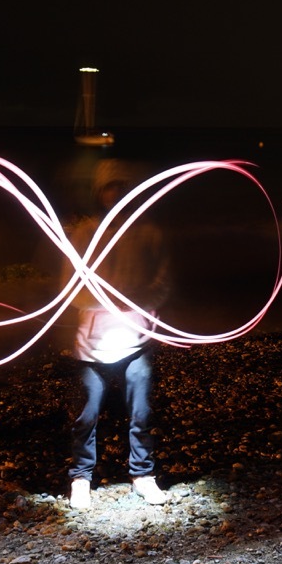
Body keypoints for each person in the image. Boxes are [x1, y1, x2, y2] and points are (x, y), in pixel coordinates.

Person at [67, 159, 172, 509]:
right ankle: (81, 478)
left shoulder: (150, 234)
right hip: (92, 346)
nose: (116, 193)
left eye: (122, 186)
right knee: (86, 414)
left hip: (136, 341)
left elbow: (163, 284)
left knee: (141, 413)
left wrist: (129, 300)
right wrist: (102, 298)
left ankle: (142, 476)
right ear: (100, 193)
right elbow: (71, 289)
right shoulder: (83, 234)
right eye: (110, 187)